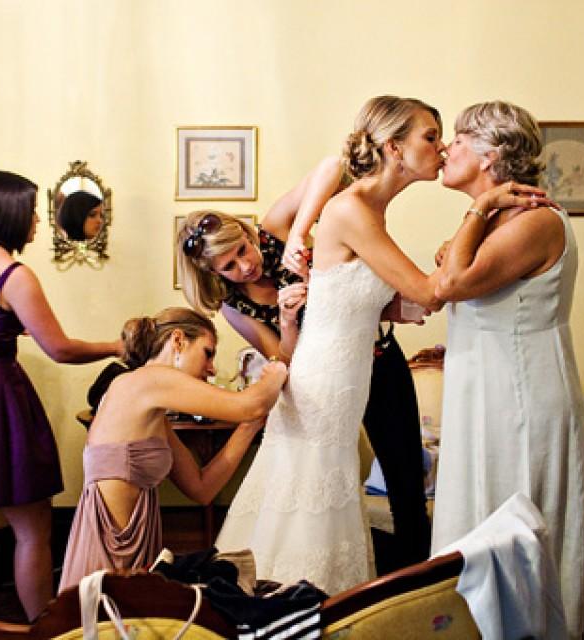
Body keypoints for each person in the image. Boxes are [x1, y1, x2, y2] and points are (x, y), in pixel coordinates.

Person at [182, 95, 445, 595]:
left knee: (401, 475)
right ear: (216, 277)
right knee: (311, 484)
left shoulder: (279, 232)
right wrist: (284, 315)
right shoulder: (239, 306)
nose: (245, 266)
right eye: (230, 267)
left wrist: (300, 235)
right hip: (320, 371)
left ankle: (404, 591)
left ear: (247, 234)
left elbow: (330, 168)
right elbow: (285, 357)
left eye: (242, 250)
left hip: (374, 360)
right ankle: (293, 593)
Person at [430, 101, 584, 638]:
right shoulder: (499, 218)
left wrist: (476, 214)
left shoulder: (535, 220)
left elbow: (449, 284)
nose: (447, 148)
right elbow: (448, 270)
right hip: (485, 385)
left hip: (521, 391)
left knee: (516, 510)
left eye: (457, 137)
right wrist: (480, 213)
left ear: (490, 155)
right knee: (477, 512)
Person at [0, 171, 121, 620]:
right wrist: (116, 346)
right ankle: (44, 630)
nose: (37, 222)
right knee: (32, 530)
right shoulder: (14, 274)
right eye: (31, 212)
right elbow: (61, 350)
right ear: (10, 214)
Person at [58, 307, 287, 592]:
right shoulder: (150, 379)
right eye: (208, 352)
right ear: (178, 340)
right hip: (112, 554)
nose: (212, 368)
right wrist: (279, 365)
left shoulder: (151, 405)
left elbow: (202, 489)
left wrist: (248, 427)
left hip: (132, 550)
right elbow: (250, 404)